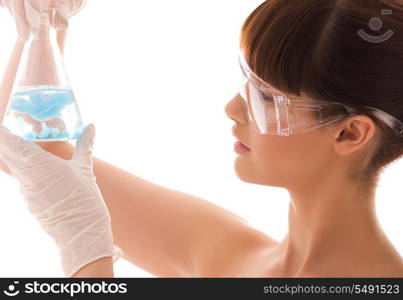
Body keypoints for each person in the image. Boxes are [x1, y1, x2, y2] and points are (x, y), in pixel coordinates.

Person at [1, 0, 403, 278]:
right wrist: (41, 28)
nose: (233, 107)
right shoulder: (228, 254)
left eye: (266, 98)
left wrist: (85, 252)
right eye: (247, 80)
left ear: (350, 133)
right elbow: (29, 152)